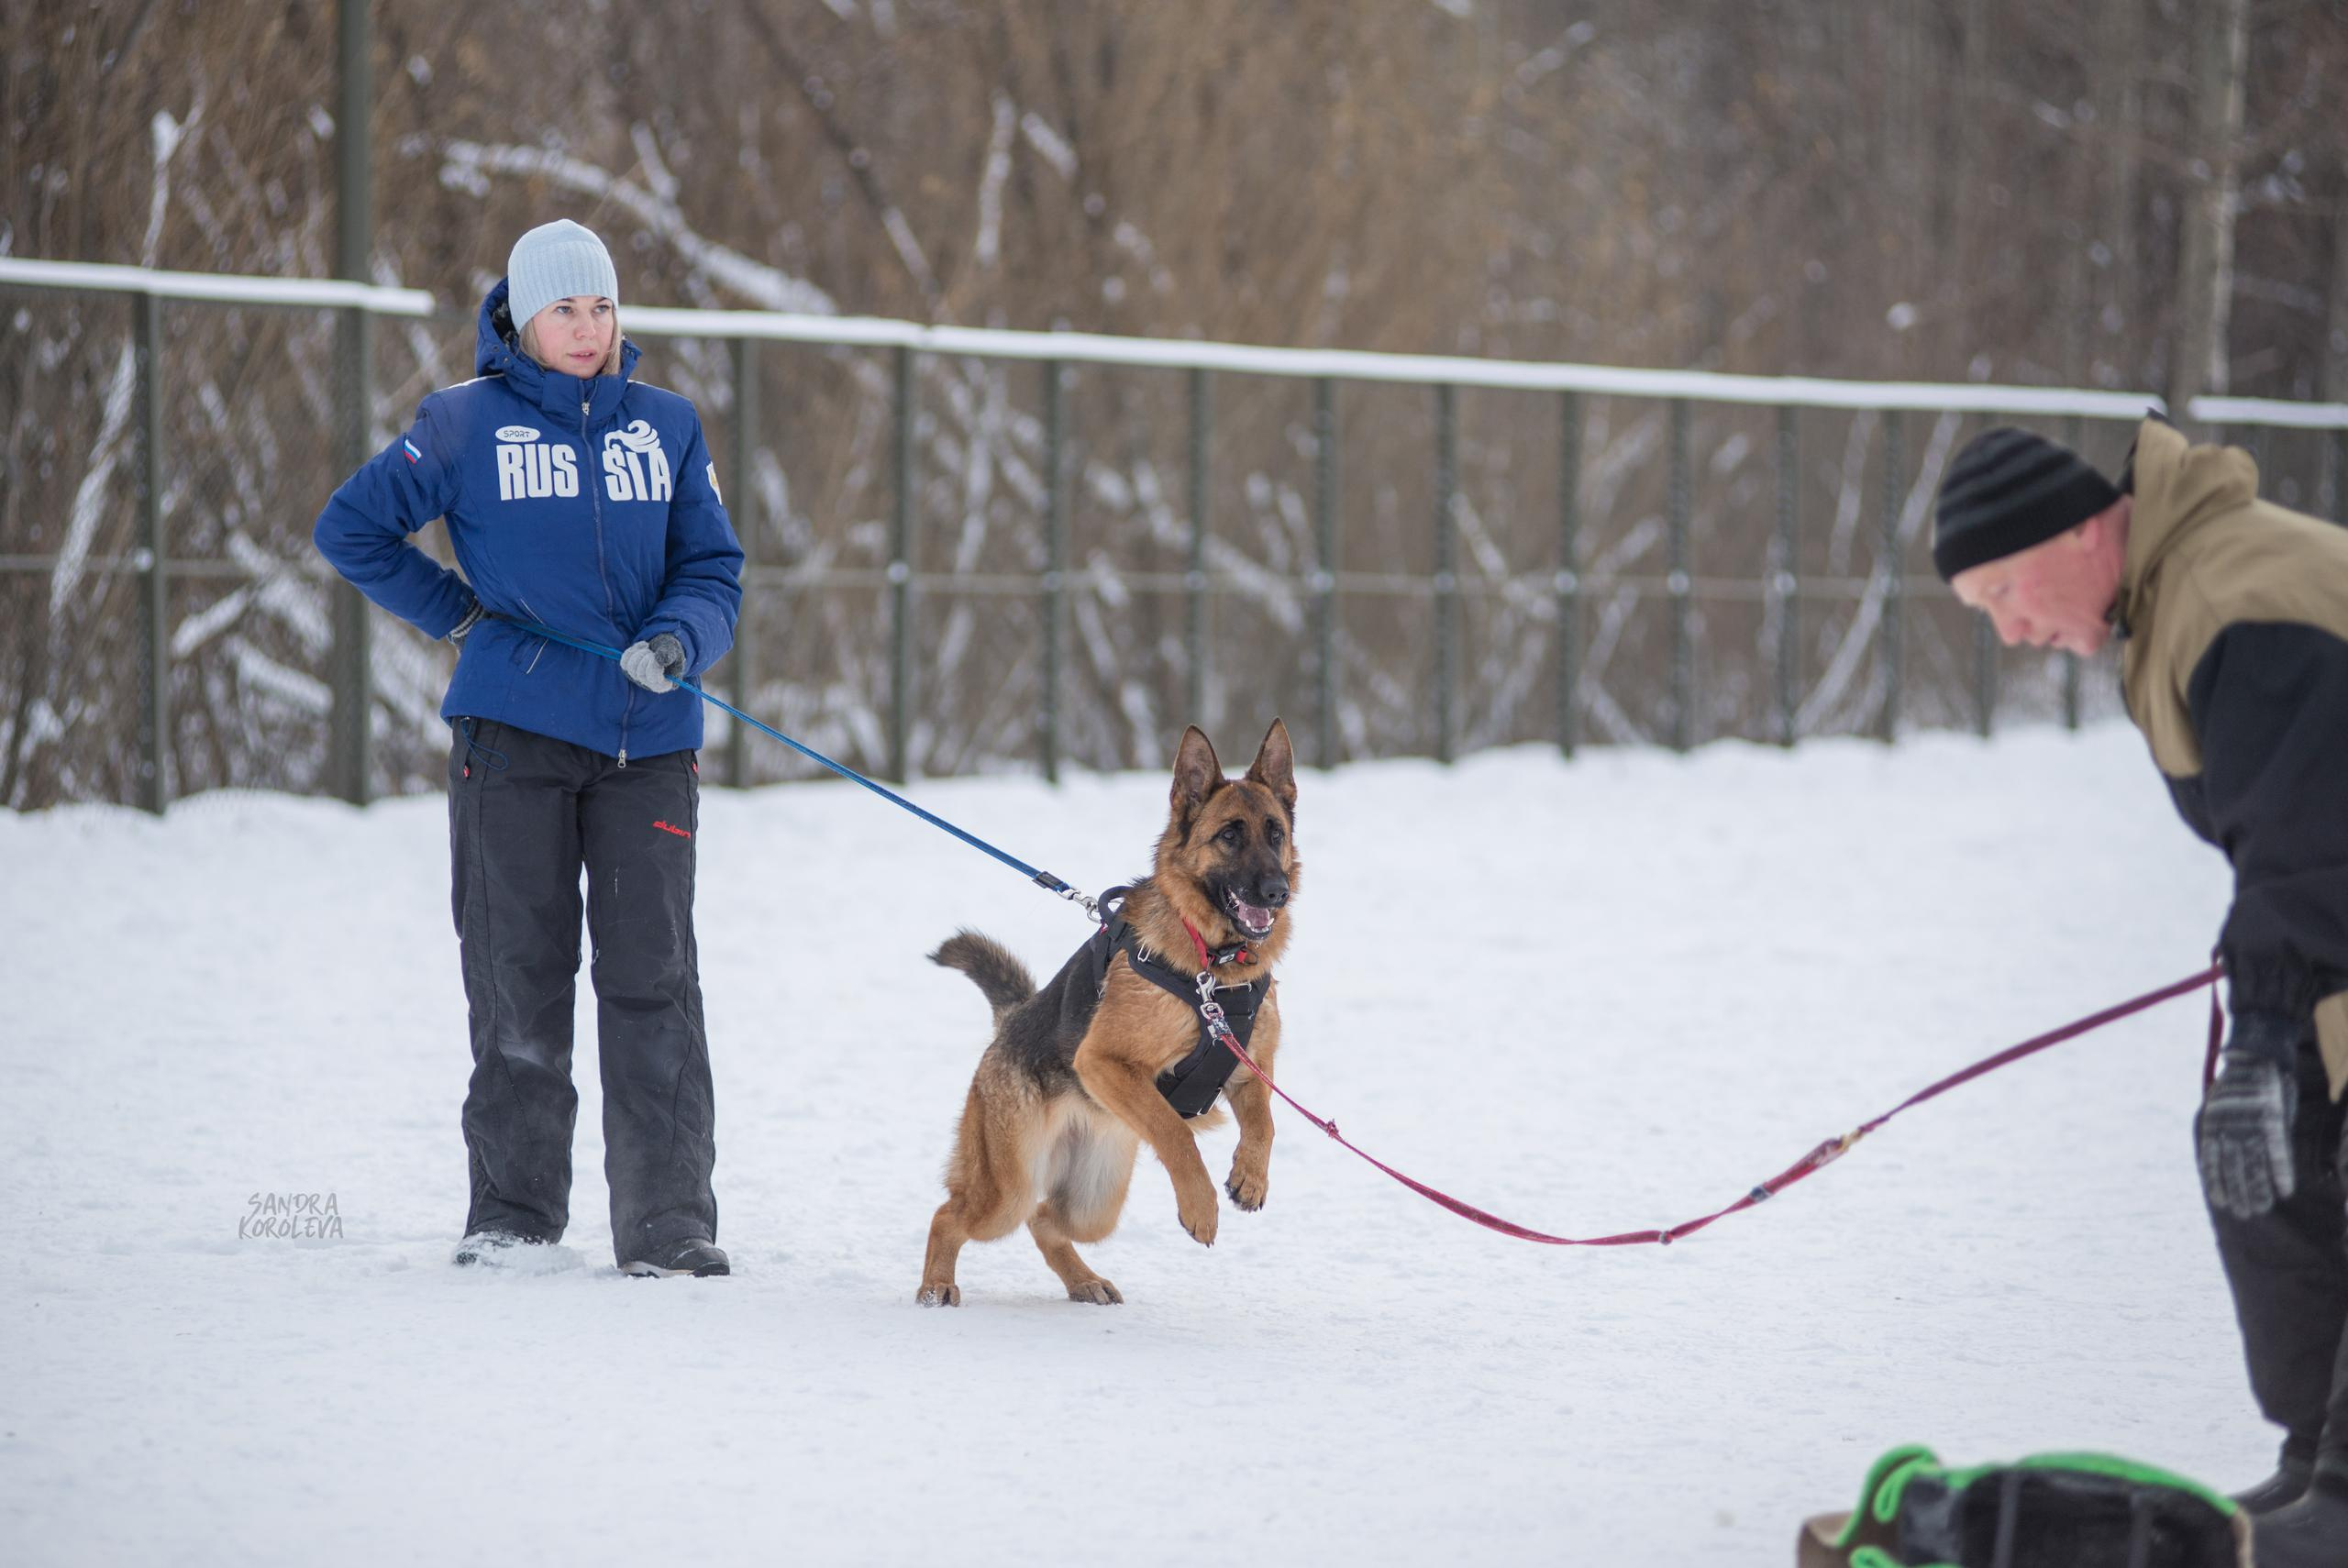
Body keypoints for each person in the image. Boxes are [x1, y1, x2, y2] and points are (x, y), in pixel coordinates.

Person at [1932, 415, 2348, 1566]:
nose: (2010, 629)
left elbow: (2314, 841)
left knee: (2282, 1104)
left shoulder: (2233, 596)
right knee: (2259, 1146)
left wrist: (2264, 1030)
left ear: (2080, 531)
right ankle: (2322, 1456)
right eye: (1984, 613)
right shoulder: (2177, 601)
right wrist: (2264, 1036)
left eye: (2004, 590)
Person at [314, 219, 745, 1279]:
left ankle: (668, 1224)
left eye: (601, 307)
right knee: (519, 974)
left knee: (655, 981)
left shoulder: (669, 427)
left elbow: (715, 570)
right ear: (520, 314)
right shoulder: (463, 425)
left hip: (648, 744)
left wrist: (680, 637)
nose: (588, 329)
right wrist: (460, 617)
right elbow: (351, 530)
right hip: (512, 740)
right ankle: (512, 1216)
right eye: (565, 309)